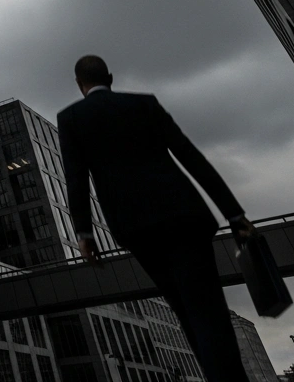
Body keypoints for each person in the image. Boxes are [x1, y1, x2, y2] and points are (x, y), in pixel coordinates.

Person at [58, 54, 256, 382]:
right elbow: (191, 156)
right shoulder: (144, 104)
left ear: (80, 85)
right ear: (111, 76)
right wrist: (234, 214)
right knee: (208, 310)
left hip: (135, 226)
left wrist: (84, 233)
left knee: (183, 308)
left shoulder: (71, 118)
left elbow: (75, 178)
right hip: (184, 216)